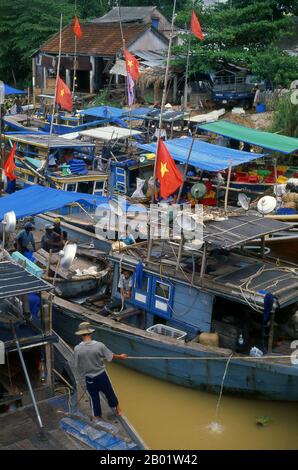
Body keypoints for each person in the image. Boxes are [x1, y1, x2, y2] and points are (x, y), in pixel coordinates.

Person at [74, 322, 127, 421]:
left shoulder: (77, 349)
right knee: (110, 392)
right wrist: (120, 356)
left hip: (89, 378)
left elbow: (77, 365)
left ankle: (96, 417)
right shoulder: (99, 345)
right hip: (101, 375)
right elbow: (110, 356)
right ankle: (118, 410)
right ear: (90, 333)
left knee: (94, 397)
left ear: (81, 334)